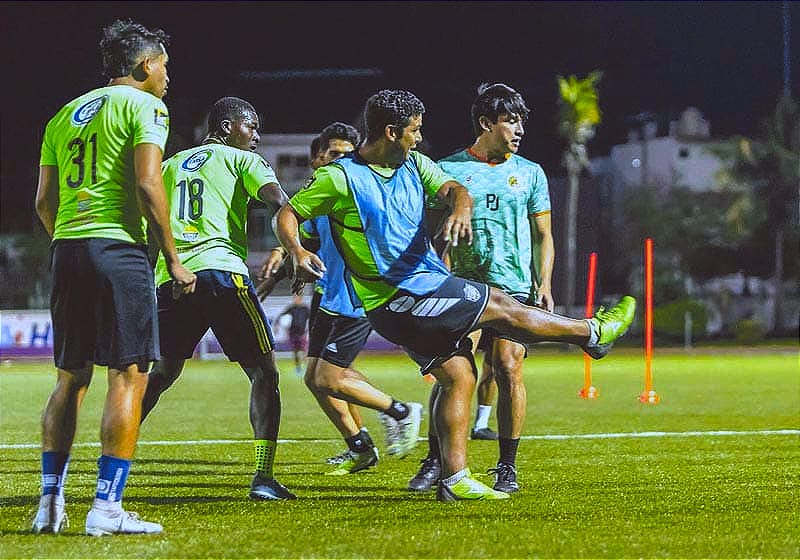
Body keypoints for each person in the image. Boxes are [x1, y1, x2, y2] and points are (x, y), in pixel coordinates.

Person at [275, 89, 636, 502]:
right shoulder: (340, 178)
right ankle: (591, 333)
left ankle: (454, 479)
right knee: (499, 306)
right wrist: (296, 251)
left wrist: (460, 208)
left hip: (420, 289)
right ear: (391, 132)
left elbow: (454, 190)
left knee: (459, 375)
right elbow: (289, 213)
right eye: (414, 131)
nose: (419, 138)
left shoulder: (414, 164)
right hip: (399, 297)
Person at [32, 20, 196, 535]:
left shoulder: (63, 114)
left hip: (67, 248)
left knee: (70, 377)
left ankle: (49, 503)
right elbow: (148, 182)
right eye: (164, 65)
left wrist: (71, 239)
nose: (167, 76)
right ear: (146, 64)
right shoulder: (146, 106)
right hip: (118, 249)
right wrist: (173, 258)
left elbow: (44, 202)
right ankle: (106, 507)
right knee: (128, 376)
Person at [139, 97, 295, 501]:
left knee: (162, 373)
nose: (256, 135)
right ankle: (263, 476)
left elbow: (148, 223)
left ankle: (115, 458)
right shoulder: (243, 160)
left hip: (173, 279)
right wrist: (291, 249)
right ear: (227, 127)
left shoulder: (170, 165)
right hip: (222, 274)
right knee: (264, 373)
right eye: (251, 126)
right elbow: (280, 203)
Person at [409, 83, 553, 494]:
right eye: (511, 121)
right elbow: (428, 231)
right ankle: (435, 460)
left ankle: (507, 467)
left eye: (521, 121)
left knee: (508, 366)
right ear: (486, 123)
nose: (519, 129)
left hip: (514, 288)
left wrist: (544, 282)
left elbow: (544, 235)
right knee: (454, 371)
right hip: (462, 287)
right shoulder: (449, 169)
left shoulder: (530, 173)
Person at [288, 122, 422, 475]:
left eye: (347, 155)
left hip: (356, 298)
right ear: (319, 158)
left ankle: (400, 411)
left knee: (329, 378)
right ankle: (360, 447)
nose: (341, 160)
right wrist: (291, 259)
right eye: (334, 154)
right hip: (327, 296)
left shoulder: (362, 192)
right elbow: (305, 238)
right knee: (316, 379)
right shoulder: (319, 199)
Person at [278, 293, 311, 376]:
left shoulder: (305, 308)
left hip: (302, 333)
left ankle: (307, 368)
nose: (296, 299)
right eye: (295, 298)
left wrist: (311, 328)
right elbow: (281, 315)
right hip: (293, 332)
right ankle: (298, 367)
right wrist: (278, 325)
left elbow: (312, 318)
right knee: (295, 351)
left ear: (301, 298)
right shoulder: (292, 308)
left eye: (297, 298)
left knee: (304, 350)